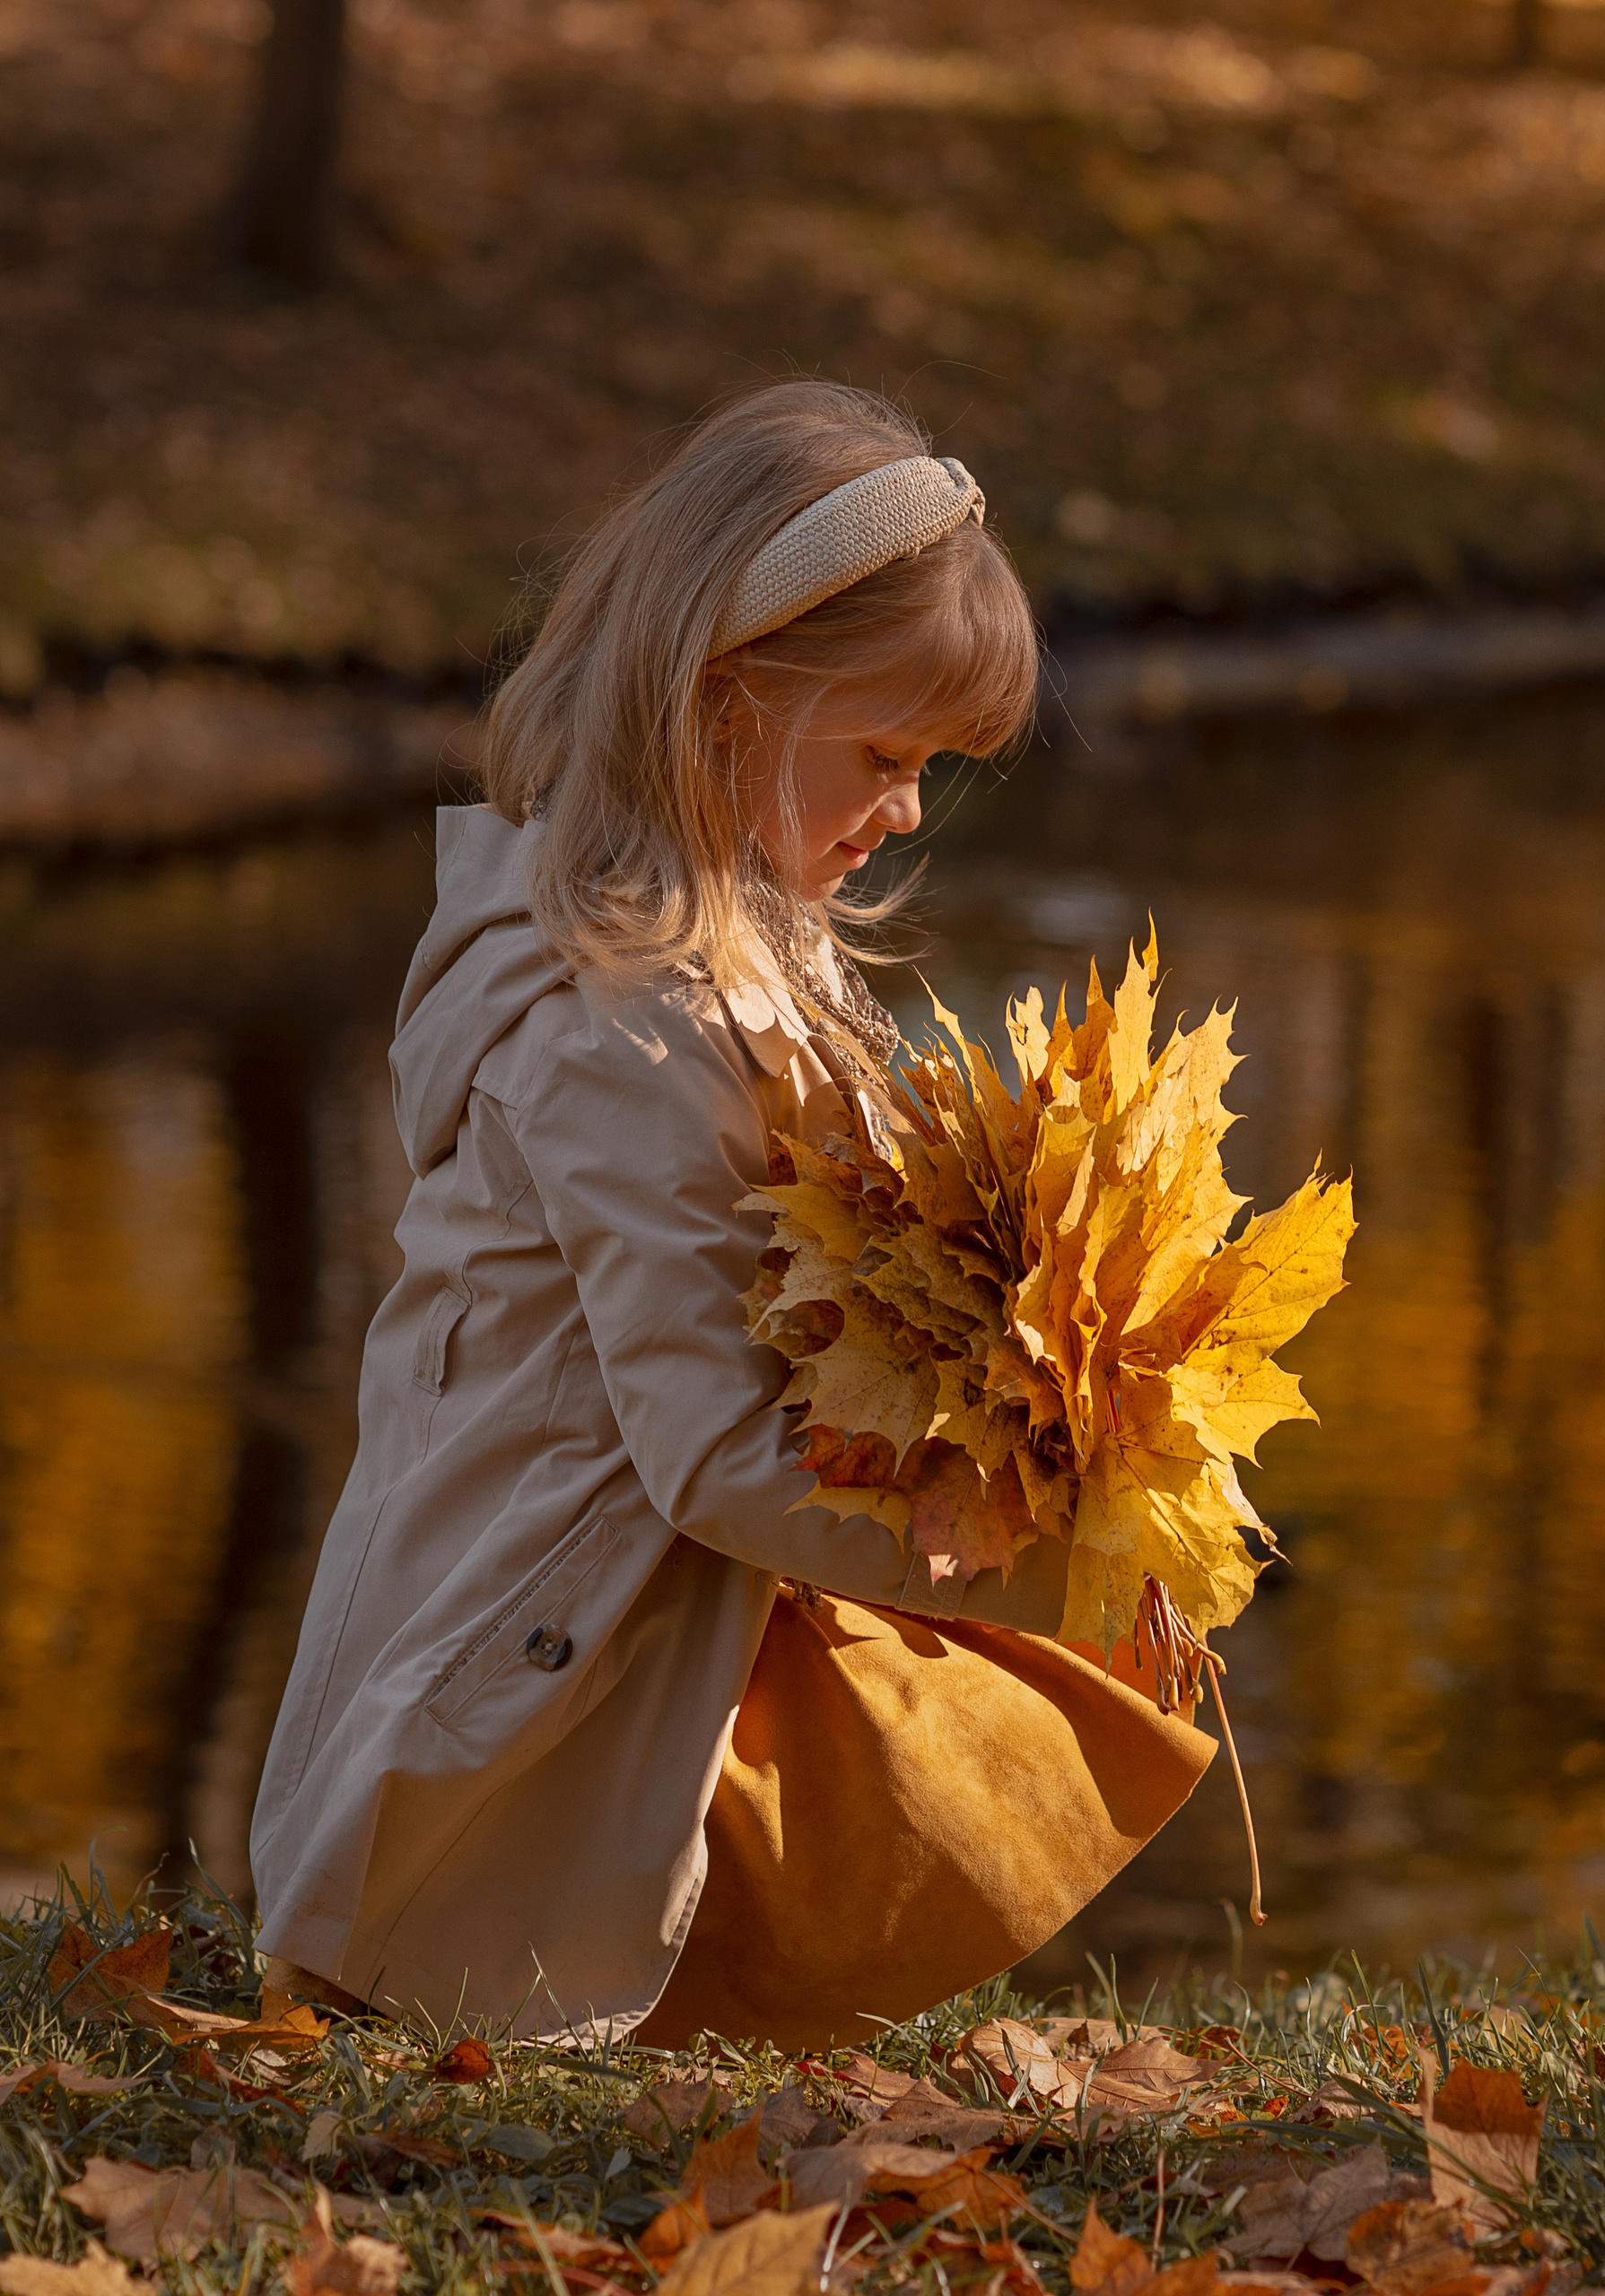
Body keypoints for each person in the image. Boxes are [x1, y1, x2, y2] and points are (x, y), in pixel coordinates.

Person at [249, 382, 1213, 2046]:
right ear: (728, 697)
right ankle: (457, 1939)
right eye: (889, 756)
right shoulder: (619, 1021)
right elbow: (710, 1463)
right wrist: (1043, 1565)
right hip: (518, 1698)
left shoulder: (744, 954)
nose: (909, 809)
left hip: (652, 1628)